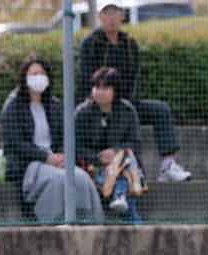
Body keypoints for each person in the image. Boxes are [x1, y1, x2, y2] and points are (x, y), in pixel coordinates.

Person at [79, 0, 191, 183]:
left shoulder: (130, 44)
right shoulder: (90, 44)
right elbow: (86, 79)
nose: (110, 18)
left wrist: (127, 104)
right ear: (99, 17)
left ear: (123, 16)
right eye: (106, 12)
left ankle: (167, 165)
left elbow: (135, 79)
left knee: (160, 109)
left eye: (114, 12)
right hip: (99, 107)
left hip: (127, 105)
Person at [0, 54, 104, 223]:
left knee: (81, 177)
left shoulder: (54, 105)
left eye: (42, 73)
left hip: (57, 160)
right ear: (24, 78)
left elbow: (65, 136)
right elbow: (14, 143)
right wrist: (46, 158)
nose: (38, 77)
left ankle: (87, 221)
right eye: (33, 74)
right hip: (30, 163)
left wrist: (63, 156)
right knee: (58, 180)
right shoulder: (13, 106)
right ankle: (53, 221)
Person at [75, 67, 145, 222]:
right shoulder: (82, 112)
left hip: (123, 166)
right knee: (123, 173)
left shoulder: (127, 110)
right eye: (96, 87)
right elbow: (74, 146)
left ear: (115, 90)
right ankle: (130, 215)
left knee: (127, 161)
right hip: (93, 167)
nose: (99, 91)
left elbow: (136, 143)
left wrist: (115, 152)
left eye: (105, 88)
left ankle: (120, 196)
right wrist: (98, 157)